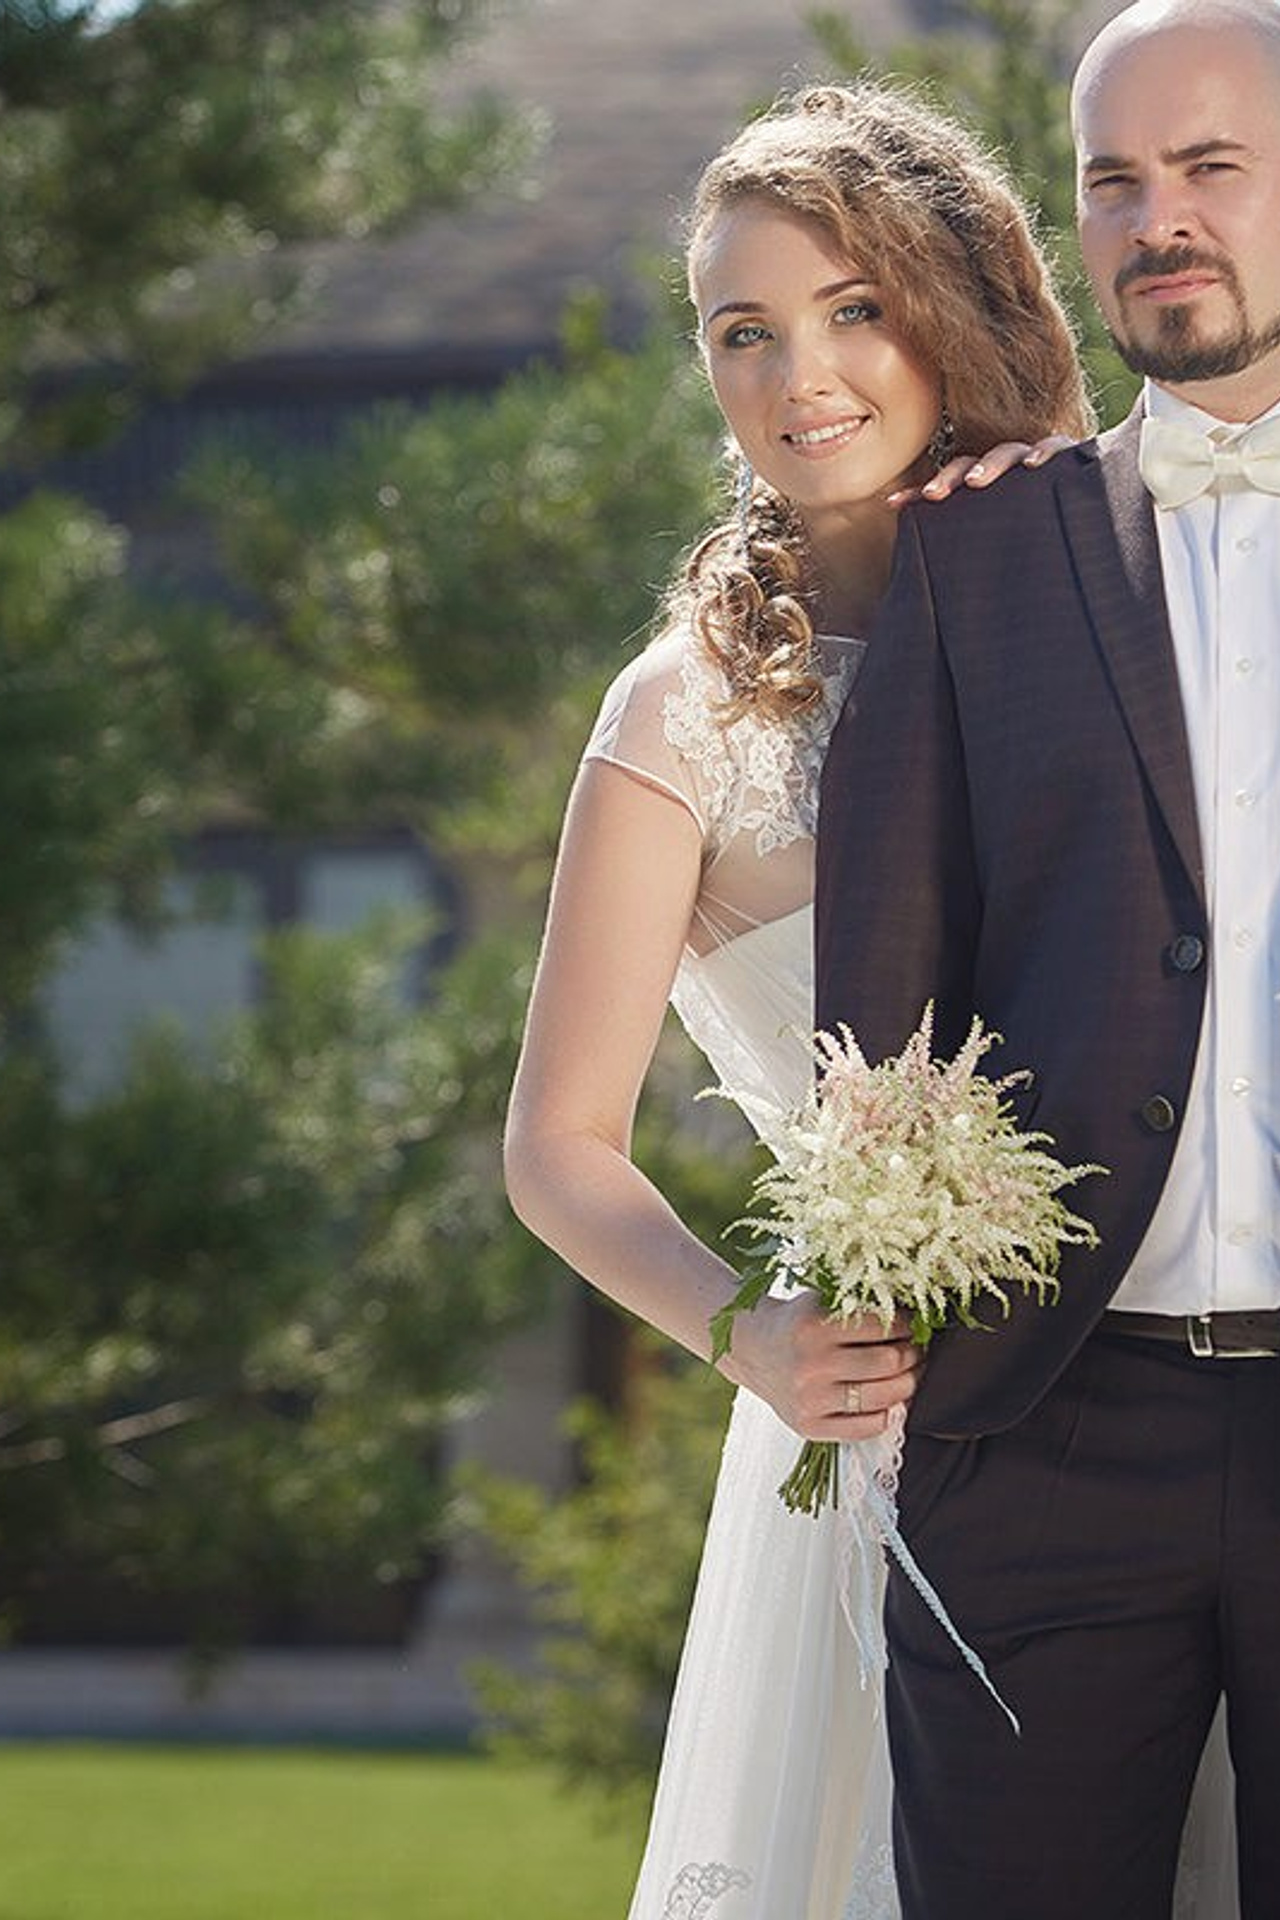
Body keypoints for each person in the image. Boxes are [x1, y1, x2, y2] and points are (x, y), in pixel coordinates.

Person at [504, 78, 1091, 1919]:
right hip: (880, 1425)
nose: (797, 375)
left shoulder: (1120, 593)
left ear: (956, 308)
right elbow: (559, 1146)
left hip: (1174, 1398)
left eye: (853, 309)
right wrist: (747, 1330)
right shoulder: (680, 716)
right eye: (740, 332)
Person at [815, 2, 1280, 1916]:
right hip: (1051, 1435)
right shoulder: (980, 557)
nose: (1157, 218)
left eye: (1211, 168)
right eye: (1114, 182)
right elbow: (882, 1002)